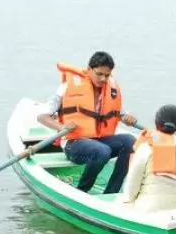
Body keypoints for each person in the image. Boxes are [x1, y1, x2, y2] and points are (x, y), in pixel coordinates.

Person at [31, 51, 138, 194]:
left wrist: (128, 118)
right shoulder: (67, 87)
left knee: (130, 141)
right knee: (102, 151)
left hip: (100, 141)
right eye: (99, 74)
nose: (103, 79)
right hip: (74, 144)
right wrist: (62, 127)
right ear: (89, 70)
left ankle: (112, 192)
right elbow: (42, 116)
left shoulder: (111, 89)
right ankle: (81, 192)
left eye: (107, 75)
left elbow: (121, 114)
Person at [117, 104, 176, 213]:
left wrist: (127, 203)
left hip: (149, 210)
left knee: (121, 201)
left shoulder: (146, 148)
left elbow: (131, 188)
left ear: (156, 124)